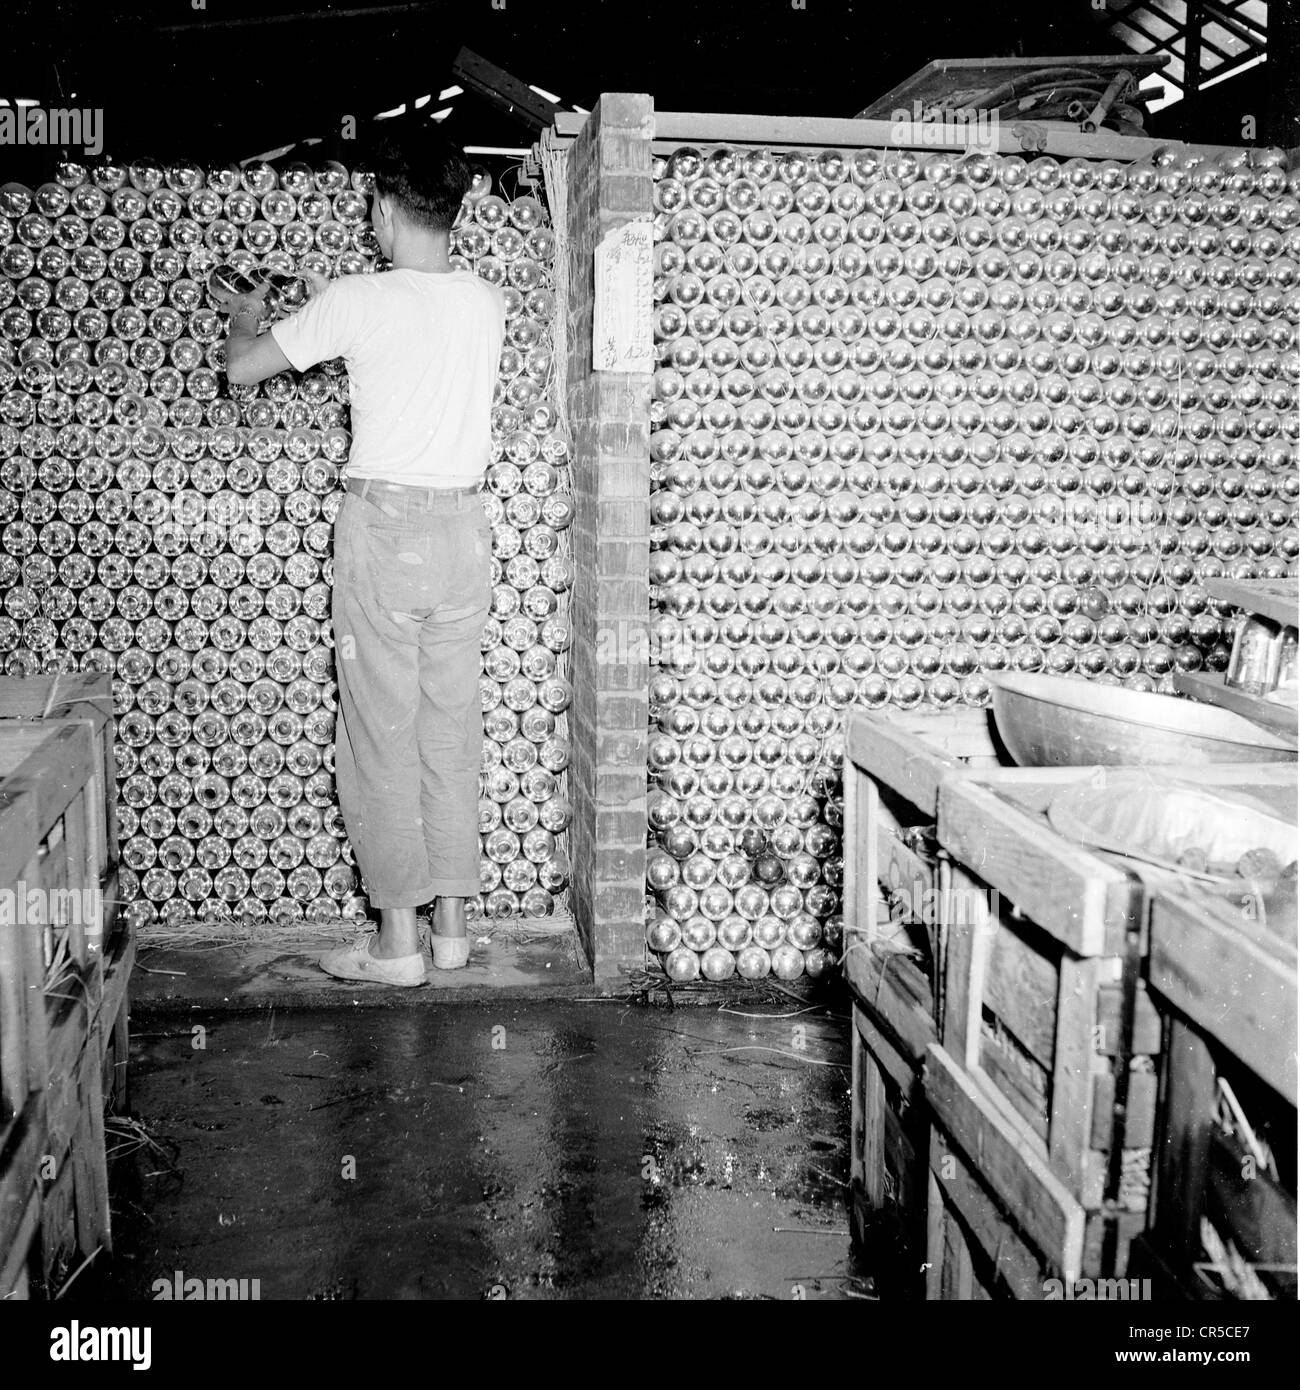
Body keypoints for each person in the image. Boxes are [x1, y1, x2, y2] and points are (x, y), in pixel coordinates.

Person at [218, 126, 505, 985]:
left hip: (385, 534)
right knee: (450, 732)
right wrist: (335, 301)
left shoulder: (356, 297)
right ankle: (453, 931)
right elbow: (406, 326)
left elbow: (244, 371)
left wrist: (245, 313)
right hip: (464, 535)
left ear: (383, 206)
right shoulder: (485, 300)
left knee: (378, 734)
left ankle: (397, 946)